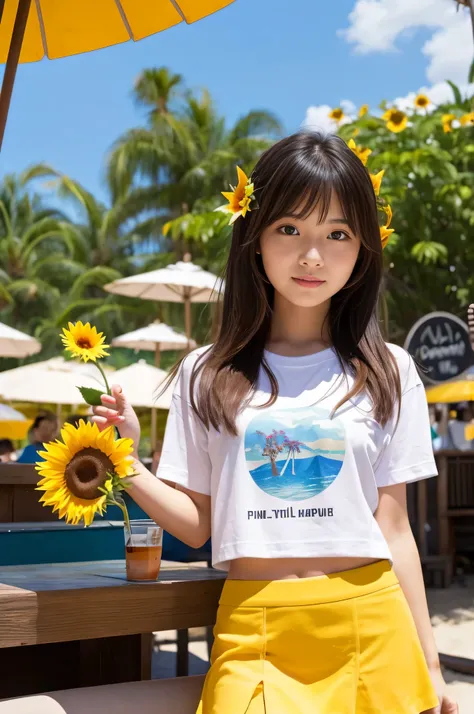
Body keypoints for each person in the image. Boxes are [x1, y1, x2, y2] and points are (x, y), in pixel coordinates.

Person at [92, 132, 457, 713]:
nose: (313, 255)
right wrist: (126, 464)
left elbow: (394, 531)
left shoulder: (392, 369)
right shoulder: (204, 372)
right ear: (254, 238)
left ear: (363, 248)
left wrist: (432, 666)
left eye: (337, 233)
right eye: (290, 229)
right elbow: (196, 525)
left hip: (374, 626)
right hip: (253, 628)